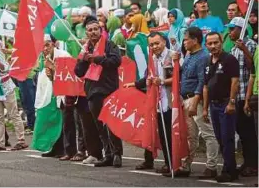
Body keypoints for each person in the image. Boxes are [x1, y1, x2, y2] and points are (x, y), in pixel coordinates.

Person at [170, 27, 219, 178]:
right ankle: (186, 165)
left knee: (207, 133)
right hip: (186, 98)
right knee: (190, 135)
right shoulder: (190, 54)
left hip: (196, 100)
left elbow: (202, 81)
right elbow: (182, 76)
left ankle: (211, 167)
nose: (183, 42)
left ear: (195, 40)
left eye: (185, 39)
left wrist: (195, 100)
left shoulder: (203, 57)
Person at [75, 15, 123, 167]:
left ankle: (117, 154)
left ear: (101, 31)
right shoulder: (85, 49)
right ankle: (107, 154)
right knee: (100, 125)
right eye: (90, 30)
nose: (93, 32)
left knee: (112, 124)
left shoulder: (110, 45)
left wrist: (96, 59)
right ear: (87, 33)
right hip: (93, 92)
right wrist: (84, 59)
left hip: (108, 89)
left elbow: (116, 61)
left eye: (96, 29)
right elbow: (78, 72)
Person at [129, 32, 174, 174]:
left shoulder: (173, 56)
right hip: (159, 102)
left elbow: (179, 77)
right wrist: (139, 83)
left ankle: (176, 163)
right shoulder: (153, 58)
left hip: (173, 101)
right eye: (152, 44)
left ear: (164, 42)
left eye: (157, 43)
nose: (154, 47)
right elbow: (150, 77)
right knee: (163, 133)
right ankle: (168, 163)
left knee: (172, 134)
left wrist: (162, 82)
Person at [202, 32, 240, 182]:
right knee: (219, 138)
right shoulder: (207, 61)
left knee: (227, 137)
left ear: (221, 43)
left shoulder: (229, 59)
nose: (213, 46)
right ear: (206, 45)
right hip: (213, 105)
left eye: (215, 43)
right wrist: (205, 108)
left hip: (226, 104)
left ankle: (228, 171)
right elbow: (205, 87)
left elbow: (235, 82)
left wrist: (231, 102)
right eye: (210, 43)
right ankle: (231, 168)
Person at [226, 17, 258, 177]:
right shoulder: (232, 49)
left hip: (247, 94)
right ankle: (247, 162)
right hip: (236, 95)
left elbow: (254, 67)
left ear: (241, 29)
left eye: (232, 29)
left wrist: (245, 49)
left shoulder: (251, 44)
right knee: (241, 131)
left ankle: (253, 164)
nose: (230, 32)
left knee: (249, 132)